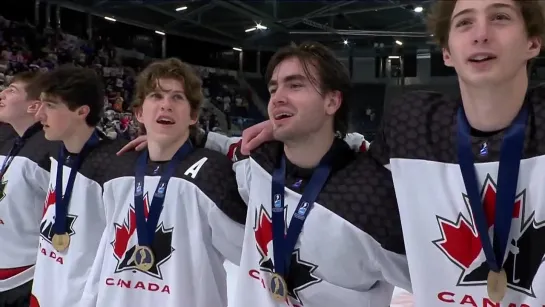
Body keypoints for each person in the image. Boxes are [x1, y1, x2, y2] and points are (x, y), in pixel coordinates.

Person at [238, 0, 545, 305]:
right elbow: (350, 158)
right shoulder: (411, 123)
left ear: (533, 42)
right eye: (465, 22)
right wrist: (289, 125)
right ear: (447, 53)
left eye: (500, 17)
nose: (481, 34)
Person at [120, 42, 410, 306]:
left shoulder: (373, 198)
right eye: (273, 90)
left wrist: (359, 148)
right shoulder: (257, 164)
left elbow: (444, 282)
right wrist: (168, 138)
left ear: (332, 101)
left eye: (295, 86)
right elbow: (228, 146)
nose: (277, 98)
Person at [79, 58, 245, 307]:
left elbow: (252, 255)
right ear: (138, 112)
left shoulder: (212, 173)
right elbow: (106, 253)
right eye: (156, 96)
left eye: (178, 98)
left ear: (193, 116)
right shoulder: (119, 170)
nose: (166, 104)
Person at [30, 66, 128, 307]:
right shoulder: (55, 152)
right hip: (44, 292)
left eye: (50, 106)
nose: (39, 115)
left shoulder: (114, 167)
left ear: (82, 111)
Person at [0, 71, 55, 307]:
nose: (2, 93)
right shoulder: (8, 141)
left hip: (27, 276)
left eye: (11, 90)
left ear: (34, 106)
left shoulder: (50, 151)